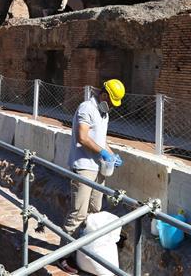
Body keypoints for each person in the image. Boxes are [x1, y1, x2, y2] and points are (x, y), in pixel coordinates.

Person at [57, 79, 126, 274]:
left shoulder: (104, 114)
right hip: (84, 167)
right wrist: (102, 152)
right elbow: (83, 137)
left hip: (99, 168)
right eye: (111, 101)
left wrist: (111, 154)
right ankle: (63, 256)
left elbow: (101, 140)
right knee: (78, 212)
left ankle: (85, 249)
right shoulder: (86, 108)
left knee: (95, 211)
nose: (112, 105)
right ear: (104, 94)